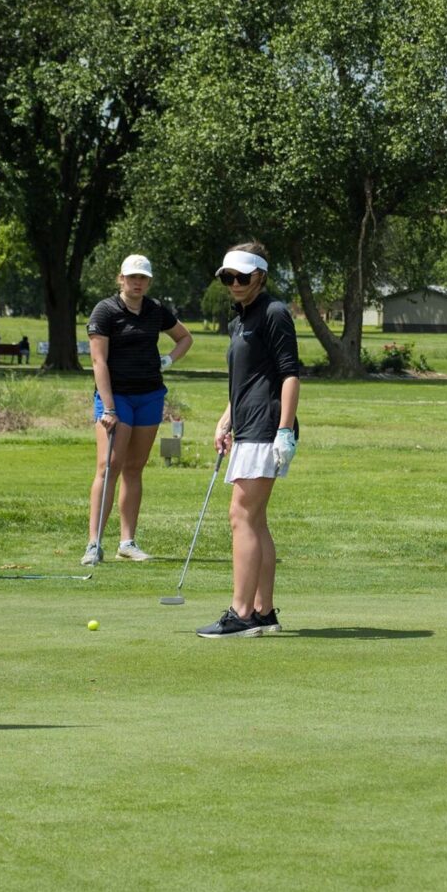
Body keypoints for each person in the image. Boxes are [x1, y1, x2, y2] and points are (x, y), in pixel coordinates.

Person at [198, 241, 300, 638]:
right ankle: (262, 611)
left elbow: (289, 374)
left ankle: (241, 614)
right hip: (247, 427)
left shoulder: (274, 313)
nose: (235, 283)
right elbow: (244, 380)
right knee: (254, 520)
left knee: (241, 516)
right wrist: (226, 420)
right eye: (228, 277)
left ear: (260, 276)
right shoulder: (239, 318)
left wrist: (285, 430)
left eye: (242, 277)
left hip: (267, 427)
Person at [82, 254, 193, 565]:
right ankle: (94, 544)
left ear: (149, 281)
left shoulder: (155, 310)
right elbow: (98, 362)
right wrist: (108, 407)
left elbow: (185, 338)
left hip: (149, 395)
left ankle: (127, 542)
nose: (137, 282)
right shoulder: (105, 311)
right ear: (121, 278)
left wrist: (168, 360)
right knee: (109, 467)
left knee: (134, 467)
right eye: (132, 277)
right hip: (115, 397)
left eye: (142, 278)